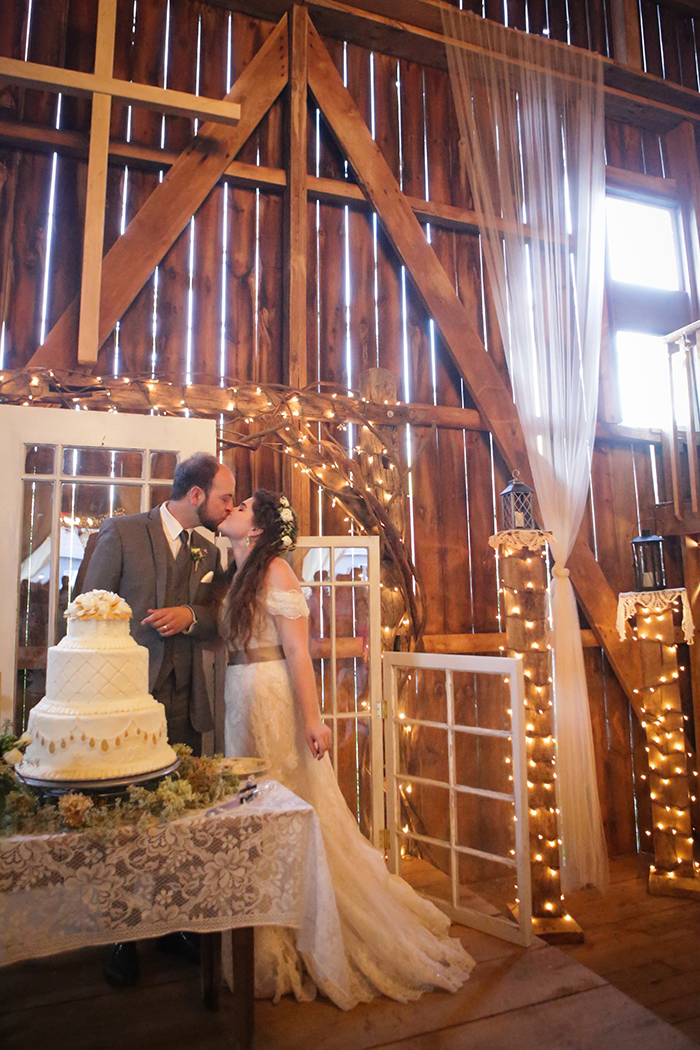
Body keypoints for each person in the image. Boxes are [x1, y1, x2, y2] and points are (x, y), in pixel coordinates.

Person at [218, 490, 474, 1010]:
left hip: (270, 696)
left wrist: (313, 719)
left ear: (259, 530)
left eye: (242, 508)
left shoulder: (278, 575)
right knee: (251, 811)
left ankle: (305, 930)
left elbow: (296, 652)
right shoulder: (239, 574)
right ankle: (265, 926)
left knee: (283, 805)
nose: (232, 511)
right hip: (239, 694)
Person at [80, 451, 235, 988]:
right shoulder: (122, 533)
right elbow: (87, 607)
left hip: (185, 706)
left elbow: (221, 621)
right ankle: (121, 933)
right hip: (126, 706)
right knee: (126, 822)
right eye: (224, 497)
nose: (228, 506)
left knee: (178, 819)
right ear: (196, 496)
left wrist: (192, 615)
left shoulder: (210, 550)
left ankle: (172, 924)